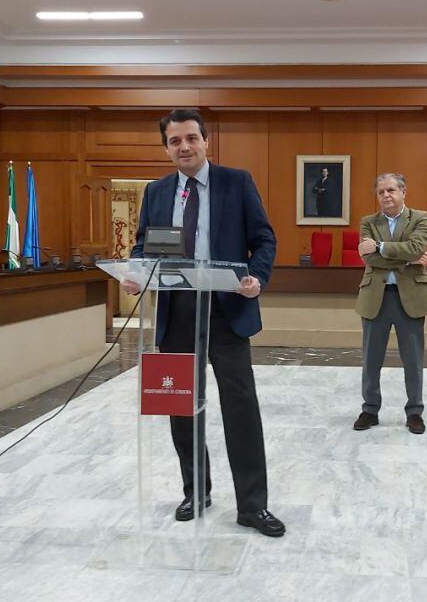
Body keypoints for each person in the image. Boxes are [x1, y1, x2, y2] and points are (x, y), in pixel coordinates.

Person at [125, 109, 284, 537]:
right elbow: (144, 244)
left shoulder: (237, 182)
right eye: (175, 141)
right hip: (177, 314)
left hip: (227, 312)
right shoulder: (157, 192)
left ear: (206, 141)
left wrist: (257, 278)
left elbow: (265, 238)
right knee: (181, 406)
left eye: (191, 138)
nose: (184, 147)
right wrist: (137, 274)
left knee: (240, 409)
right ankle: (196, 490)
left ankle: (252, 505)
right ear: (166, 148)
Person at [353, 173, 427, 434]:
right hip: (375, 297)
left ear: (403, 192)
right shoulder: (368, 222)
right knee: (371, 358)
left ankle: (414, 412)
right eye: (381, 192)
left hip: (410, 298)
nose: (386, 195)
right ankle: (370, 409)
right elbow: (371, 260)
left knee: (413, 359)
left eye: (391, 190)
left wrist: (379, 246)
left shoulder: (420, 218)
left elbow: (416, 247)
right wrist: (408, 259)